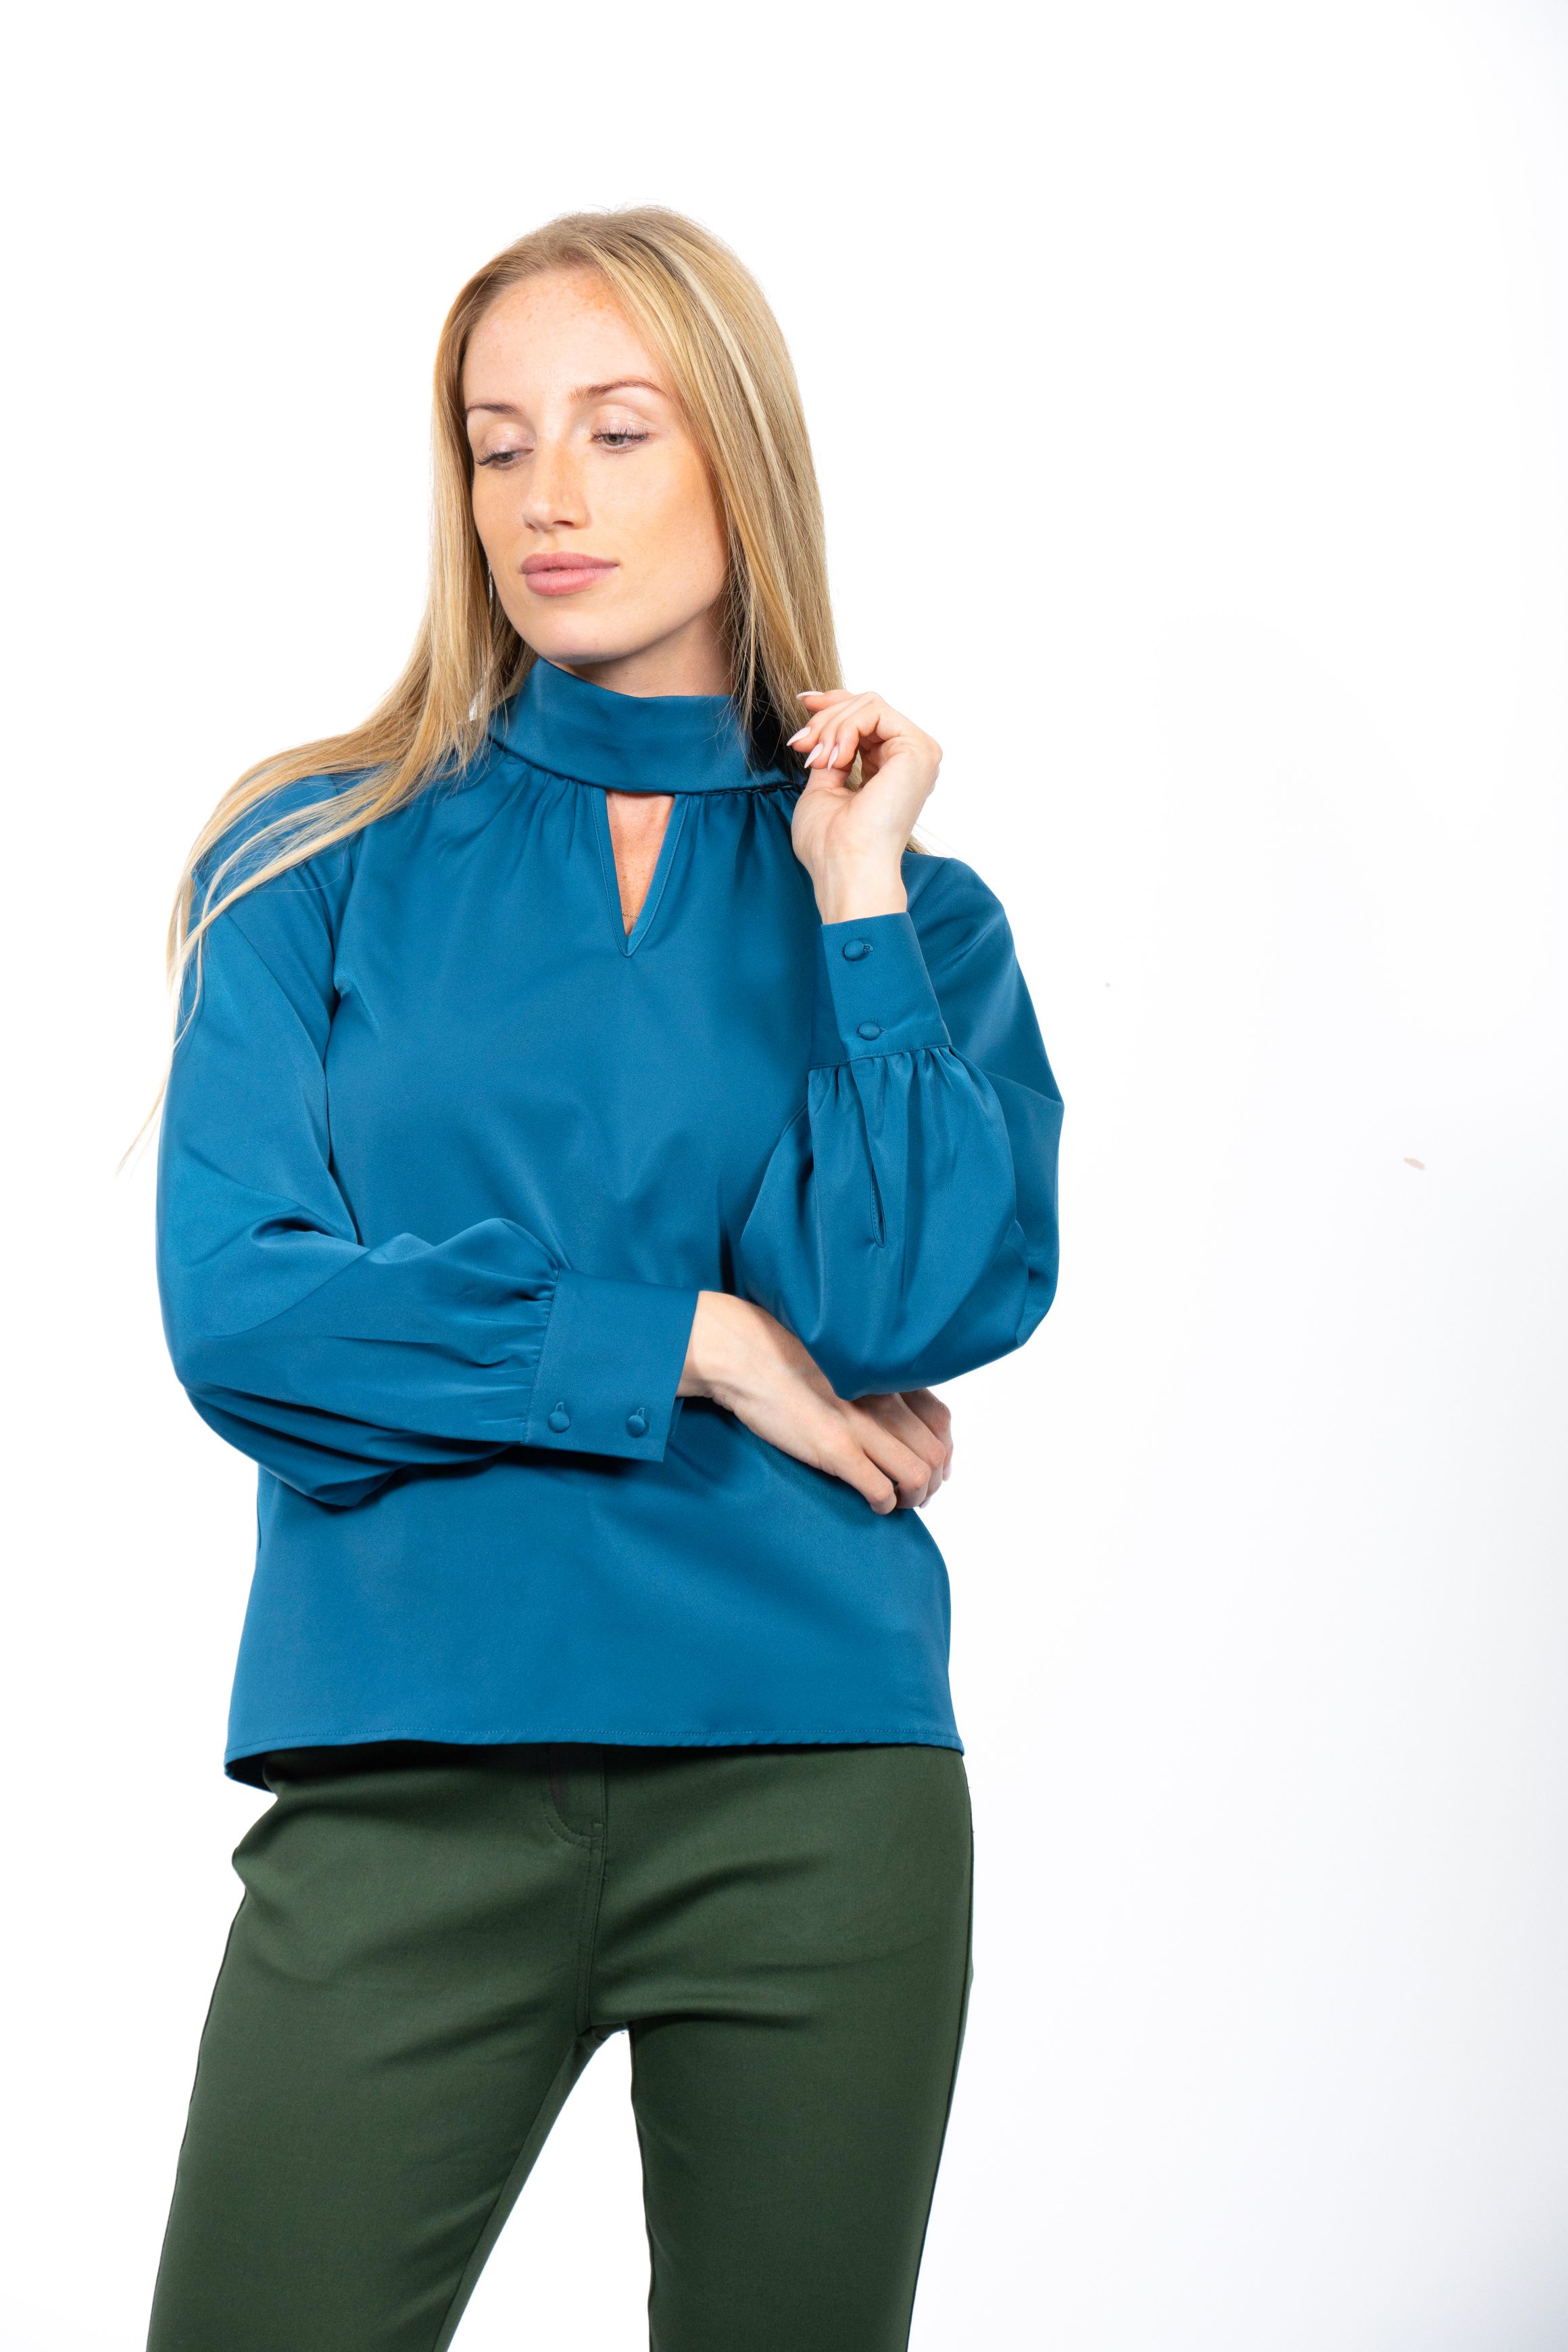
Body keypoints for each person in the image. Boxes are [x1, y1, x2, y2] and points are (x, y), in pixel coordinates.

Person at [144, 205, 1064, 2352]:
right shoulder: (308, 858)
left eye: (618, 431)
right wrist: (703, 1345)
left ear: (741, 456)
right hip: (407, 1780)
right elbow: (248, 1316)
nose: (548, 497)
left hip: (810, 1783)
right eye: (499, 444)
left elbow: (912, 1304)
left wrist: (856, 901)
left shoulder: (916, 920)